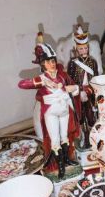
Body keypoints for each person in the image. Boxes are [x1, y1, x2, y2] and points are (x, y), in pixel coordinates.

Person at [18, 32, 80, 178]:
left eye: (53, 61)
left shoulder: (61, 75)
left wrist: (69, 88)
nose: (52, 64)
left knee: (65, 137)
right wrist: (42, 82)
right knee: (55, 140)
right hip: (51, 112)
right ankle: (59, 167)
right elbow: (21, 84)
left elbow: (73, 88)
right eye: (48, 62)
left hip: (64, 110)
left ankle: (66, 161)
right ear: (43, 64)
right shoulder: (42, 78)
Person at [67, 25, 99, 148]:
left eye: (85, 48)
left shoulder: (93, 62)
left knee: (92, 116)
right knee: (80, 117)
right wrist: (77, 90)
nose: (84, 51)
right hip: (78, 93)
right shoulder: (72, 63)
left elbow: (95, 77)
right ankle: (84, 138)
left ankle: (93, 138)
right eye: (81, 49)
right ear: (76, 49)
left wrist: (93, 90)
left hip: (90, 92)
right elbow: (70, 79)